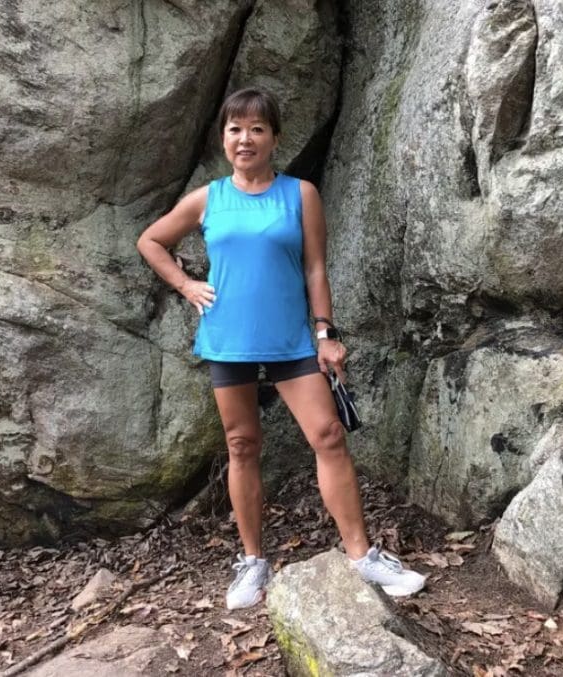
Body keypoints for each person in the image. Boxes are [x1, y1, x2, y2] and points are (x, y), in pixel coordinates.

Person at [137, 87, 425, 610]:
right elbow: (151, 241)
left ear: (274, 138)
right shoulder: (208, 199)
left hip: (291, 338)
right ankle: (252, 562)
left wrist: (325, 333)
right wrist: (186, 285)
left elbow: (315, 268)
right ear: (223, 138)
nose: (244, 139)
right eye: (235, 129)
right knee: (242, 445)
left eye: (256, 129)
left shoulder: (300, 194)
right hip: (229, 339)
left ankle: (362, 557)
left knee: (328, 434)